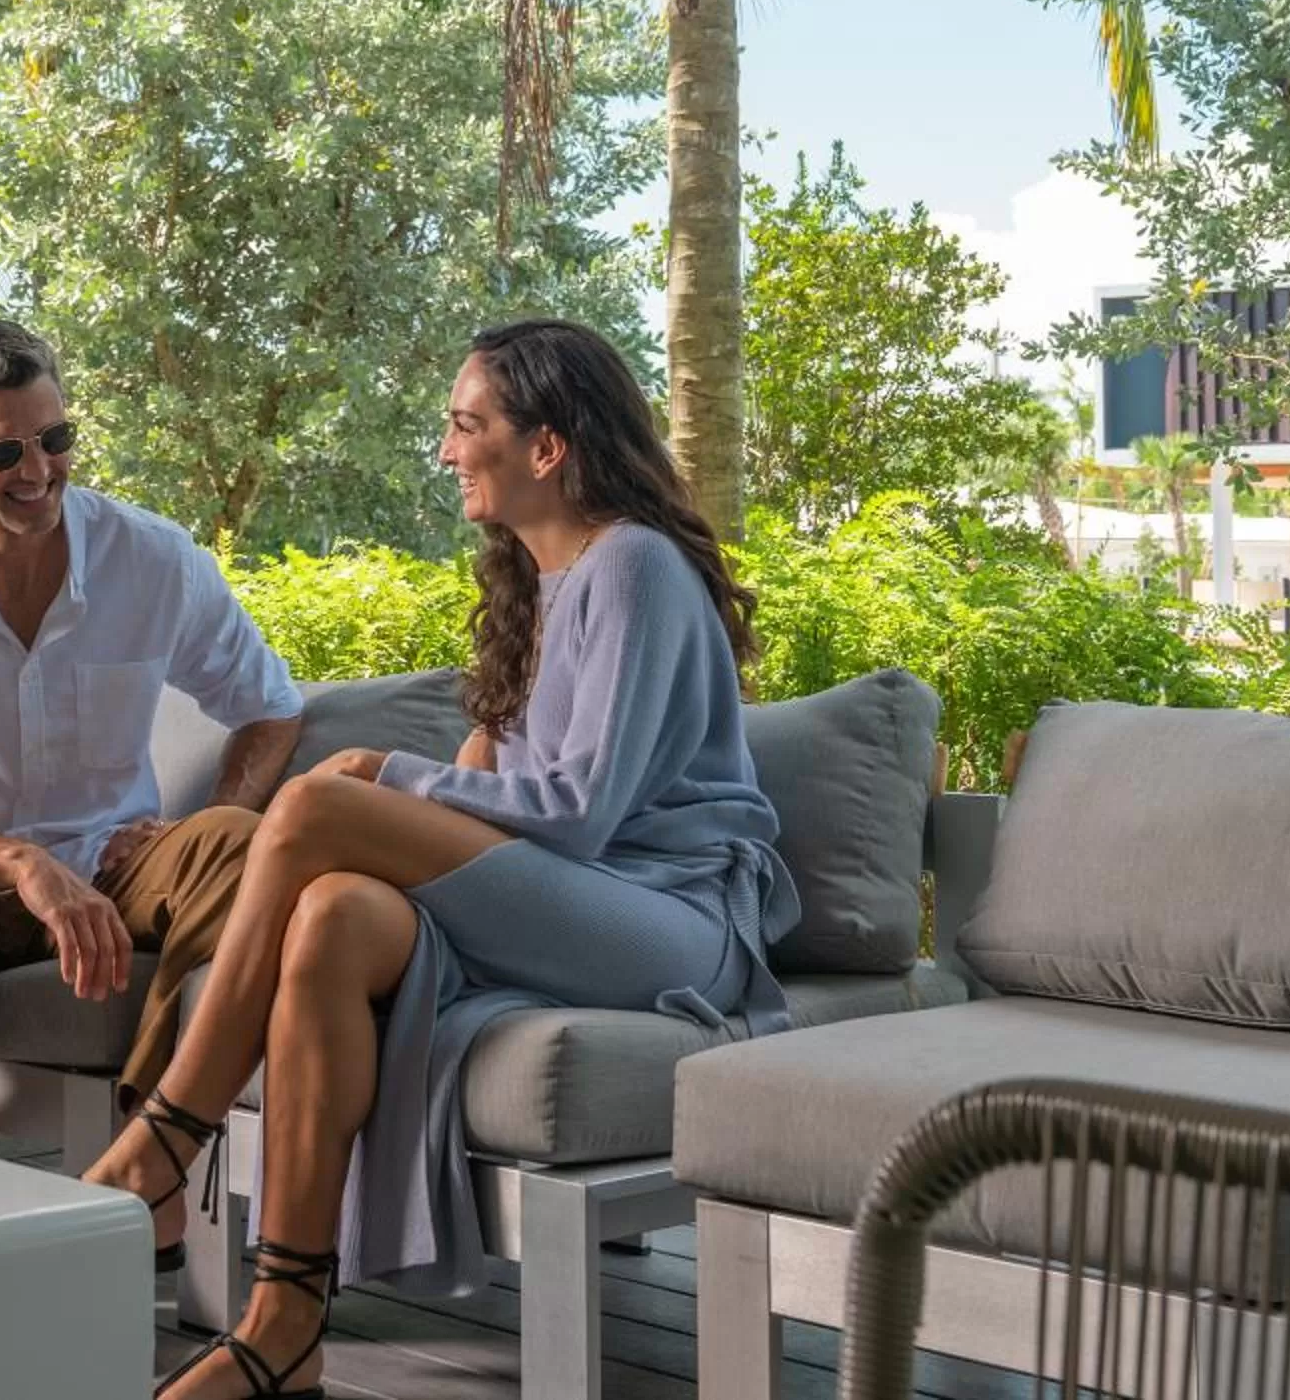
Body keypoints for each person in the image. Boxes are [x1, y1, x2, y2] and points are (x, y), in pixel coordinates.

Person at [84, 317, 797, 1400]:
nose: (449, 449)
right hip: (573, 899)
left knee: (321, 803)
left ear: (547, 445)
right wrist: (439, 777)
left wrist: (392, 775)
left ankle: (166, 1136)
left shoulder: (636, 568)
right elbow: (504, 780)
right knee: (329, 920)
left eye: (468, 425)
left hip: (668, 924)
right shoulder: (536, 584)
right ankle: (284, 1327)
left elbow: (580, 809)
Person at [0, 318, 307, 1178]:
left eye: (56, 439)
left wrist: (208, 815)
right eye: (3, 455)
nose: (38, 473)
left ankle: (150, 1154)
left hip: (114, 877)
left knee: (241, 846)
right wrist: (20, 865)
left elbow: (269, 707)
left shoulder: (151, 558)